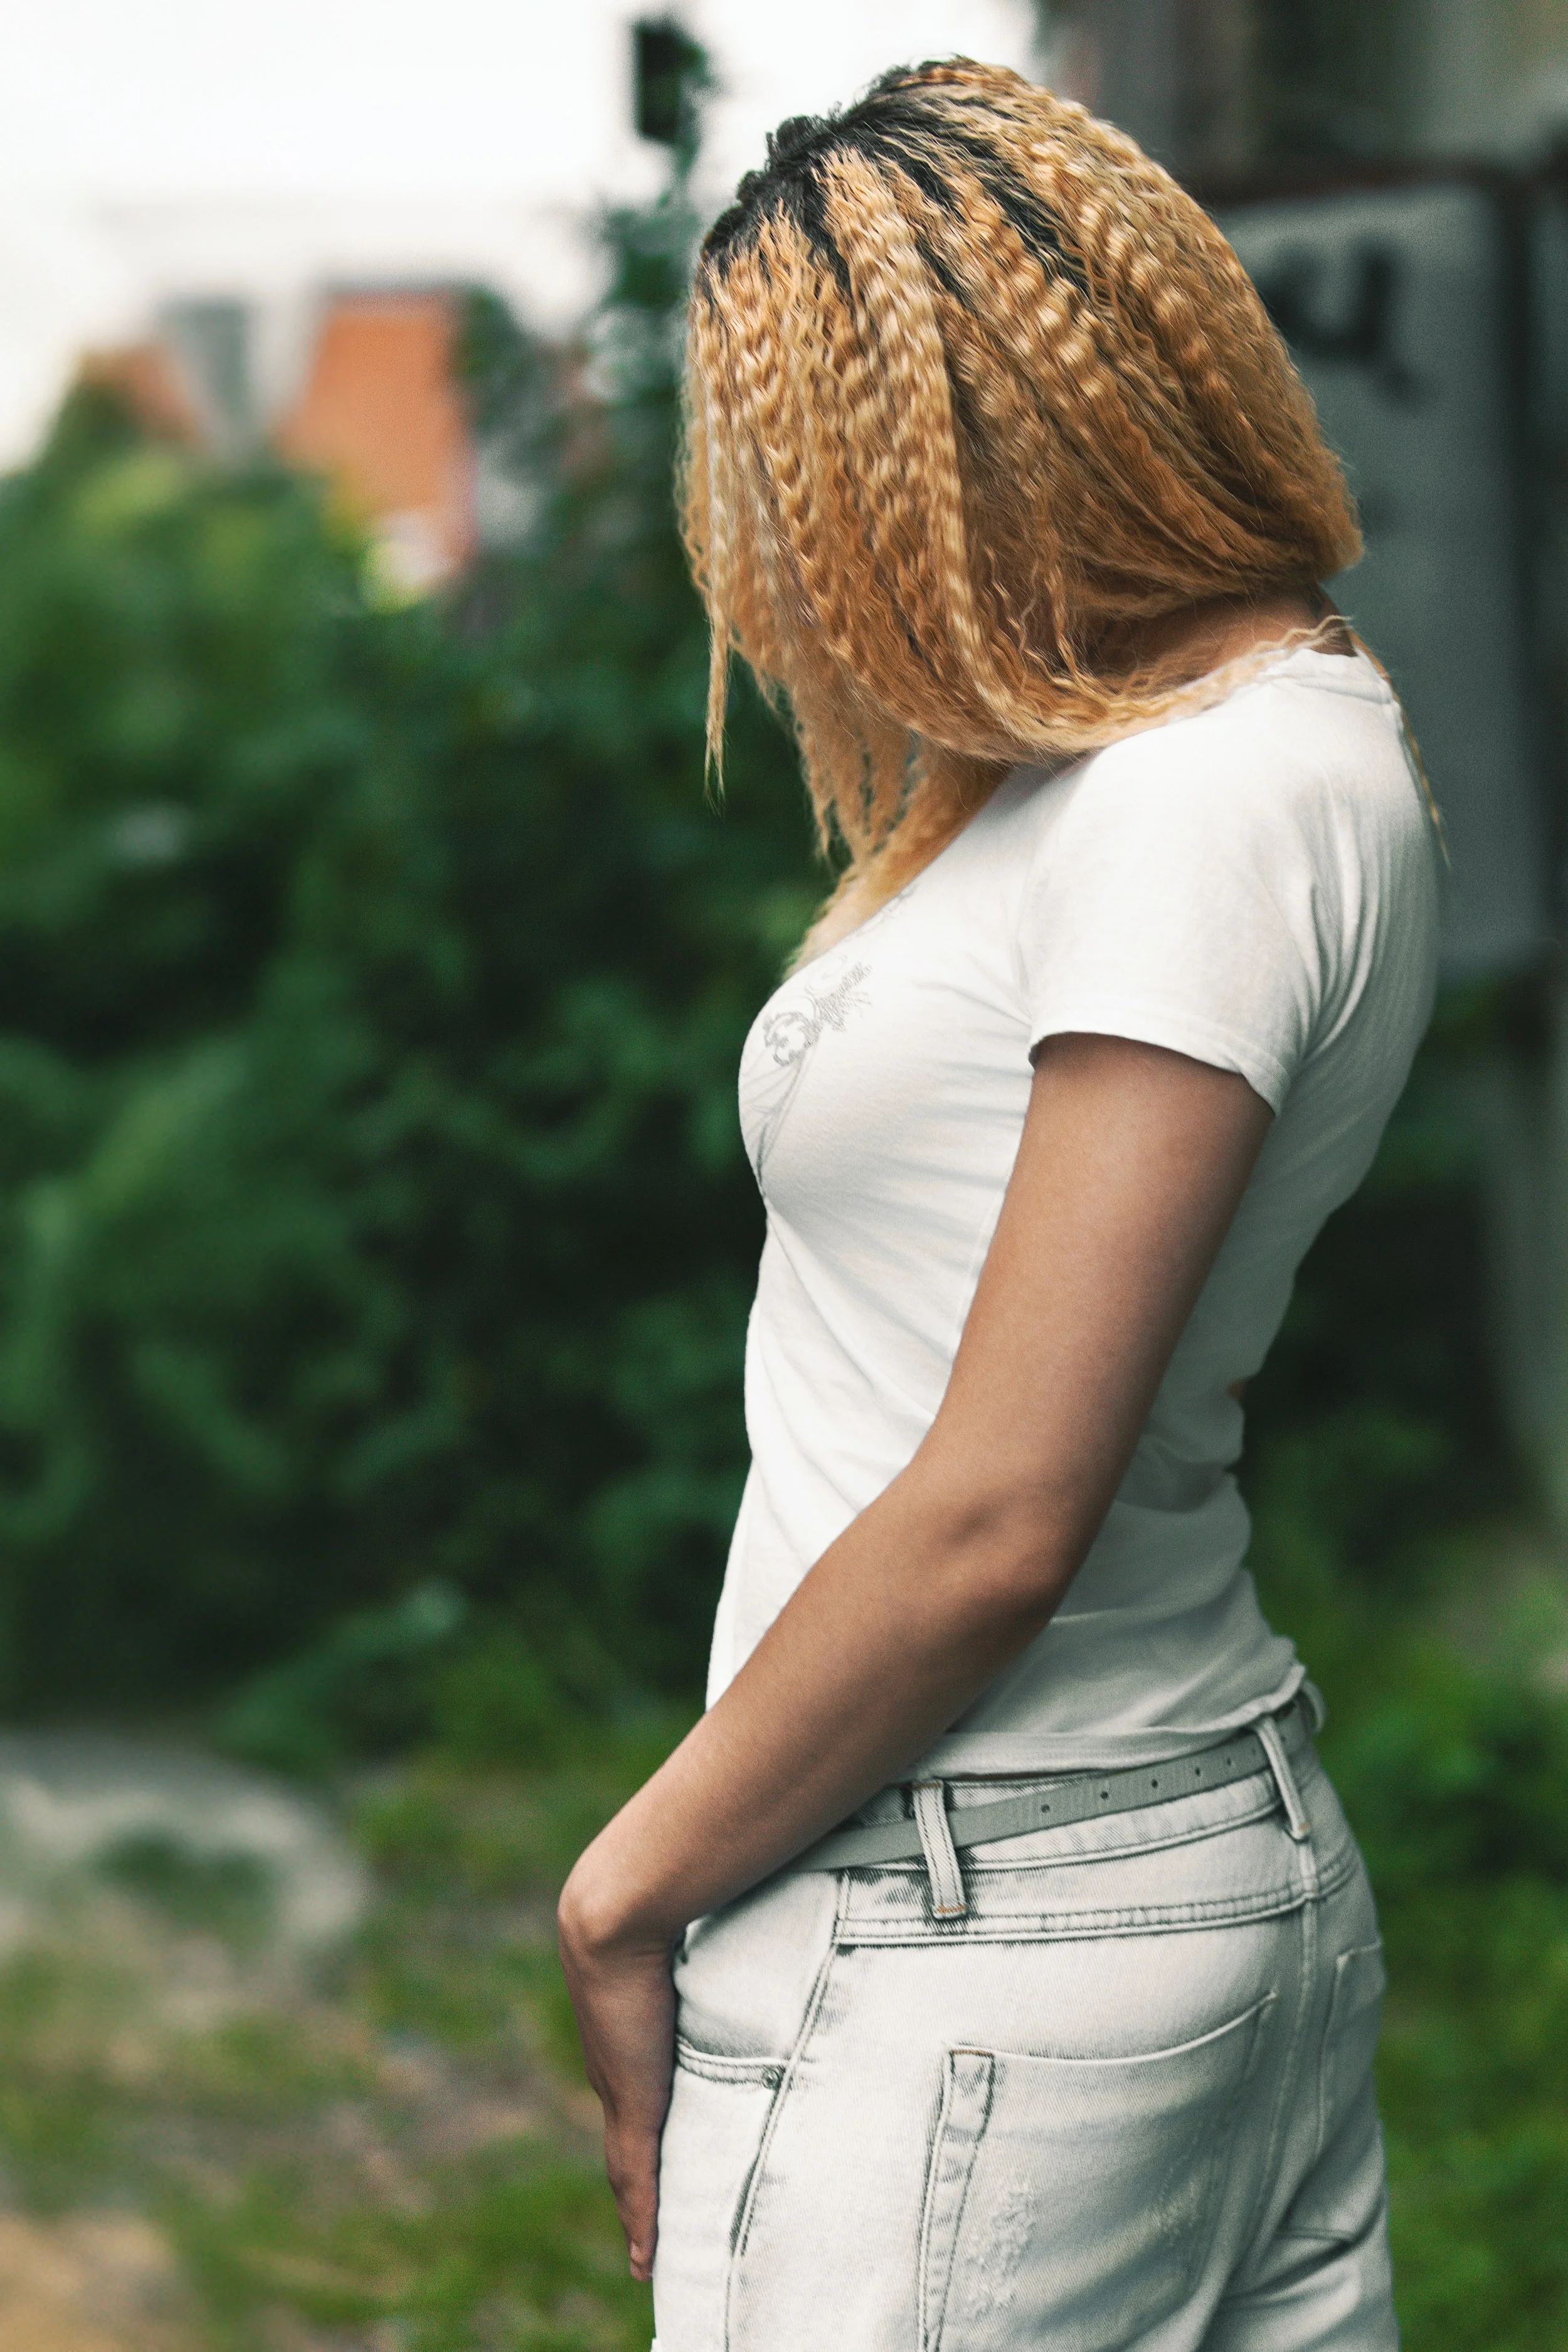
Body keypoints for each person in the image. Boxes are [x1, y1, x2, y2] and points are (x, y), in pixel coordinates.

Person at [559, 58, 1439, 2352]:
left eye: (810, 478)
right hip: (1140, 1878)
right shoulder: (1237, 750)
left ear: (950, 442)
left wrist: (626, 1880)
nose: (791, 556)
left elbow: (997, 1508)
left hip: (975, 1943)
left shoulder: (1201, 798)